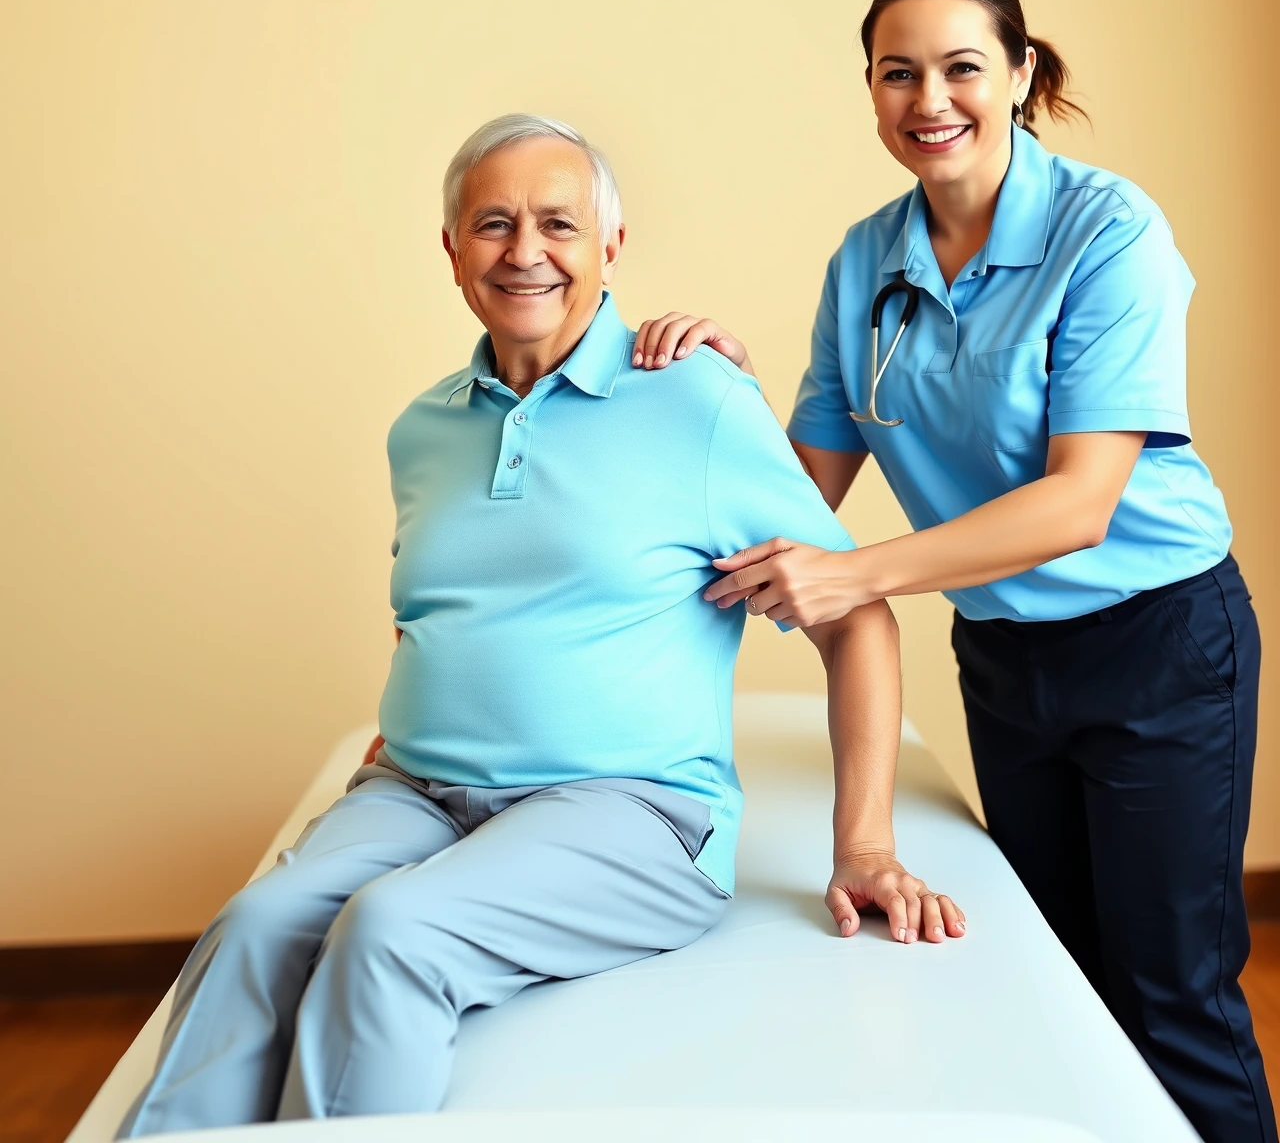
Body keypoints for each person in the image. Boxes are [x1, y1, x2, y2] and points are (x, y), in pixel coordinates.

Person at [116, 114, 962, 1135]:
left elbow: (855, 615)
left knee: (391, 932)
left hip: (629, 812)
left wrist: (862, 842)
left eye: (557, 223)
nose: (524, 251)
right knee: (254, 926)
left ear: (610, 246)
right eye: (492, 224)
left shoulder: (695, 399)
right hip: (418, 789)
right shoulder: (421, 428)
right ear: (450, 252)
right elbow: (443, 605)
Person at [635, 0, 1273, 1143]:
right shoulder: (862, 259)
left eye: (960, 67)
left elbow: (1078, 502)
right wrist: (714, 395)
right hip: (1006, 657)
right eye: (896, 74)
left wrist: (855, 570)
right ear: (869, 91)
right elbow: (800, 493)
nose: (929, 100)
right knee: (1053, 980)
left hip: (1158, 646)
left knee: (1169, 995)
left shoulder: (1107, 230)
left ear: (1020, 72)